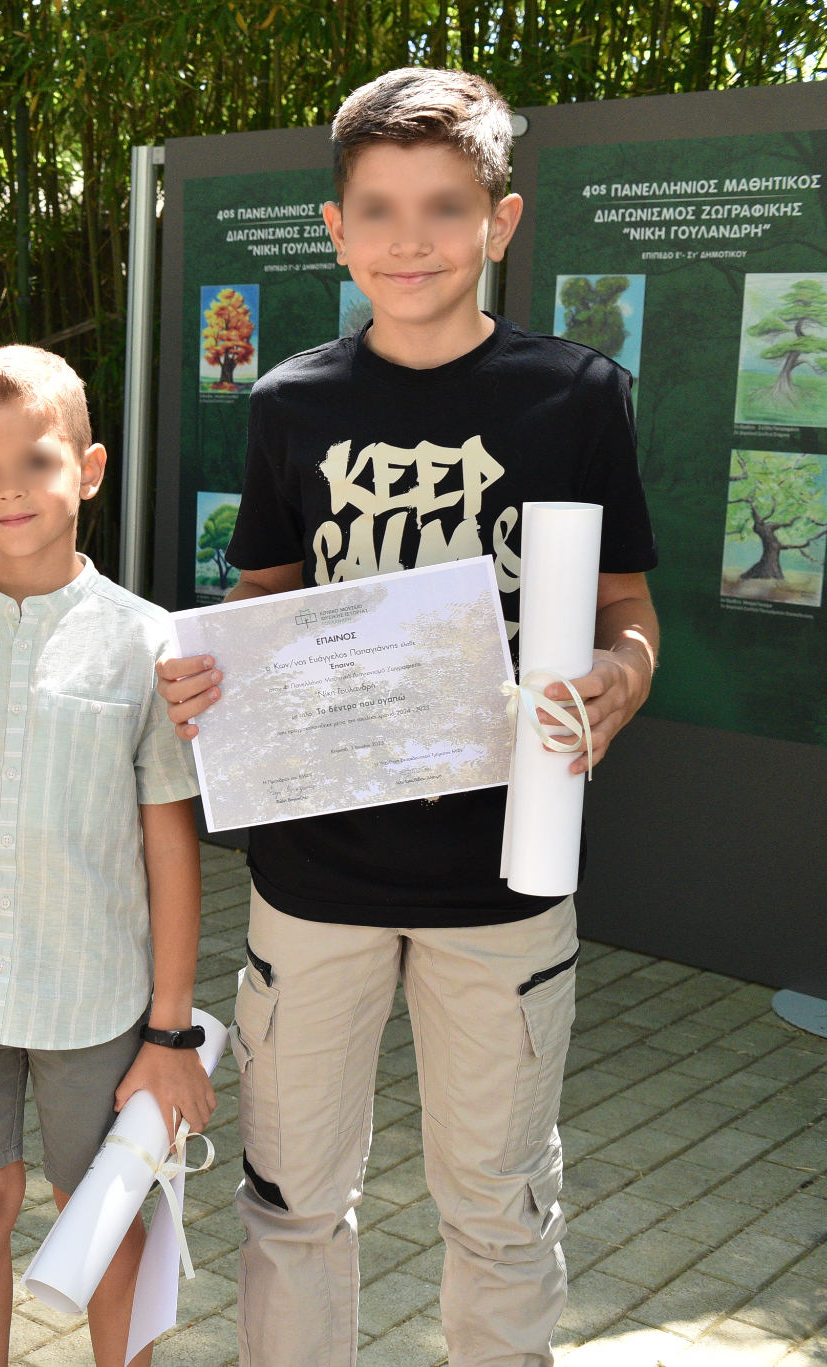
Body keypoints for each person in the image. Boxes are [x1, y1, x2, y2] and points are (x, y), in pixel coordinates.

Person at [154, 70, 660, 1367]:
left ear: (501, 219)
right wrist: (211, 672)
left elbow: (626, 609)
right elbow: (261, 603)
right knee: (289, 1199)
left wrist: (621, 677)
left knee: (497, 1206)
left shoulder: (578, 396)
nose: (409, 238)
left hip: (506, 878)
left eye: (443, 206)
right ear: (336, 230)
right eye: (377, 208)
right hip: (313, 875)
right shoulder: (289, 402)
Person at [0, 345, 214, 1367]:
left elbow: (170, 845)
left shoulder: (148, 643)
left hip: (95, 997)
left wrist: (171, 1027)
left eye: (36, 461)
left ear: (89, 470)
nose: (9, 488)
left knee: (100, 1212)